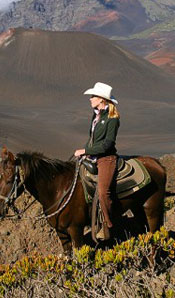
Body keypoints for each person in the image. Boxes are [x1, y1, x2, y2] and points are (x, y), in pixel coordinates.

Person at [74, 82, 120, 240]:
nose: (90, 99)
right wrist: (85, 150)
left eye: (93, 96)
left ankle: (108, 225)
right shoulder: (96, 115)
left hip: (106, 158)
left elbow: (107, 144)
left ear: (101, 99)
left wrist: (86, 151)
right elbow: (93, 139)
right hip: (93, 155)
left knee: (102, 191)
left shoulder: (112, 118)